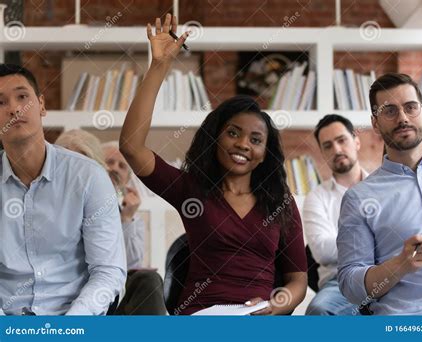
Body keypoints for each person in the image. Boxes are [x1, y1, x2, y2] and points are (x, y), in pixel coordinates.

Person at [119, 13, 307, 315]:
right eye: (233, 133)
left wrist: (277, 305)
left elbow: (297, 278)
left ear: (265, 151)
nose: (243, 144)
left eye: (256, 139)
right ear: (215, 138)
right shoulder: (190, 188)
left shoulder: (280, 202)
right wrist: (159, 66)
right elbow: (131, 147)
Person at [337, 72, 422, 315]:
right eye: (390, 111)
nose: (403, 118)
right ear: (375, 123)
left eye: (411, 107)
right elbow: (350, 286)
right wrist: (399, 265)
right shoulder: (359, 198)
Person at [0, 64, 126, 315]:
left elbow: (108, 270)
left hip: (75, 320)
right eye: (0, 102)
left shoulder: (88, 176)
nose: (14, 108)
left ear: (42, 105)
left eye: (22, 97)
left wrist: (72, 325)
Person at [55, 130, 167, 315]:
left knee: (148, 279)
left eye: (122, 166)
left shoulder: (127, 215)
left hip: (105, 295)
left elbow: (129, 265)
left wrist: (125, 219)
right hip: (63, 294)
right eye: (110, 163)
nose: (114, 168)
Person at [304, 114, 368, 315]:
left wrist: (345, 243)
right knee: (319, 310)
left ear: (356, 141)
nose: (337, 150)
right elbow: (323, 251)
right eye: (328, 146)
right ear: (322, 153)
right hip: (339, 281)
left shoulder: (383, 187)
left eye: (342, 140)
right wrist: (373, 241)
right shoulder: (316, 198)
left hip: (387, 274)